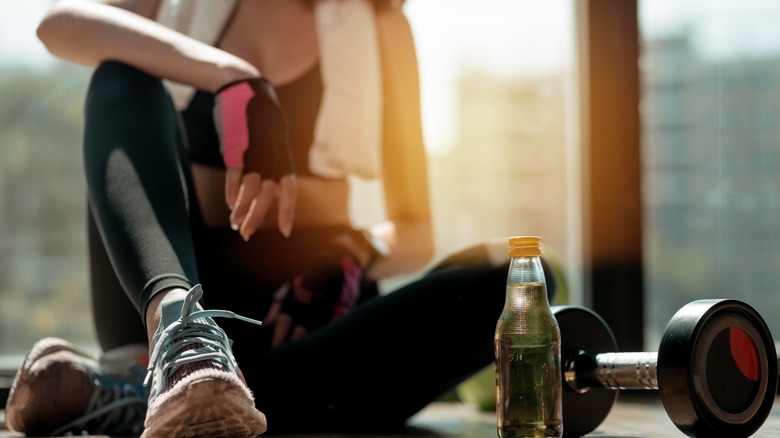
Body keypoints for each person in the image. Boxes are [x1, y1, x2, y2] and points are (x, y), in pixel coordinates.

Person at [5, 0, 556, 437]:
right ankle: (182, 346)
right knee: (120, 79)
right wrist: (235, 78)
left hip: (312, 314)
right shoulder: (180, 7)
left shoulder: (381, 23)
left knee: (520, 275)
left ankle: (139, 397)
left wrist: (350, 254)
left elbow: (415, 233)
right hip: (183, 290)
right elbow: (58, 25)